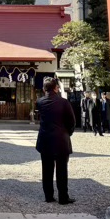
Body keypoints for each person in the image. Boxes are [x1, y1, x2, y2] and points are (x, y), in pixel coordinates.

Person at [36, 77, 76, 205]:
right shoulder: (63, 102)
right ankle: (63, 197)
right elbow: (72, 121)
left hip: (45, 139)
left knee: (46, 169)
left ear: (44, 89)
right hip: (61, 139)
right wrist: (67, 133)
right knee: (62, 169)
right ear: (56, 88)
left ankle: (48, 196)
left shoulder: (40, 102)